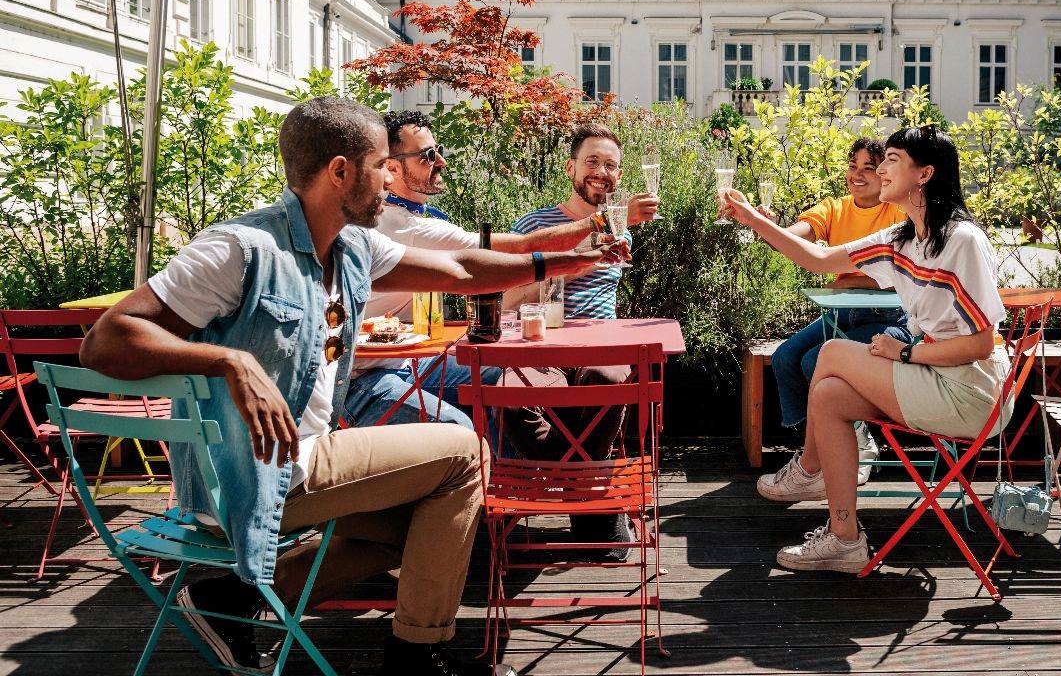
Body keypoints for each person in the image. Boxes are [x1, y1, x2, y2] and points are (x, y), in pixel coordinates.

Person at [79, 97, 617, 675]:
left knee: (422, 524)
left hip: (308, 460)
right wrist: (228, 362)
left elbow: (463, 268)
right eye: (381, 164)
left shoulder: (353, 247)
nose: (390, 178)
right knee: (466, 453)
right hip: (249, 475)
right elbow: (105, 341)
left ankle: (229, 599)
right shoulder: (240, 249)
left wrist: (562, 264)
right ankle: (417, 658)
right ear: (340, 171)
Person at [720, 125, 1007, 574]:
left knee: (832, 353)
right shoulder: (903, 239)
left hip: (972, 392)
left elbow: (980, 343)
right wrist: (754, 220)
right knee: (829, 395)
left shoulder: (961, 240)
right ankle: (844, 539)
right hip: (935, 378)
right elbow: (818, 259)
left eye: (892, 159)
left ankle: (809, 470)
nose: (882, 169)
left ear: (925, 173)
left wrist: (906, 354)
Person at [346, 110, 658, 429]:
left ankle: (534, 462)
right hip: (370, 373)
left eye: (439, 150)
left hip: (410, 357)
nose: (441, 161)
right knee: (485, 409)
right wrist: (604, 225)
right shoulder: (408, 228)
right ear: (392, 168)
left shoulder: (409, 222)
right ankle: (496, 460)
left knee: (507, 380)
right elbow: (518, 250)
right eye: (427, 155)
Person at [497, 123, 641, 559]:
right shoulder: (534, 225)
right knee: (514, 399)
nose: (601, 171)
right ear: (570, 168)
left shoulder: (621, 227)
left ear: (620, 175)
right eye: (591, 161)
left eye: (610, 165)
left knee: (606, 380)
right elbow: (505, 301)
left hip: (601, 343)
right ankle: (591, 495)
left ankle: (577, 494)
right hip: (540, 343)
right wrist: (570, 266)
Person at [768, 137, 914, 483]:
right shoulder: (835, 208)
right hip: (842, 313)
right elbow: (796, 237)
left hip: (892, 319)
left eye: (869, 168)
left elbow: (900, 279)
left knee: (813, 360)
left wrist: (852, 280)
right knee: (784, 358)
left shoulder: (898, 212)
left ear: (885, 173)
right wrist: (770, 228)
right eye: (853, 166)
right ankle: (818, 446)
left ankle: (858, 440)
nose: (857, 175)